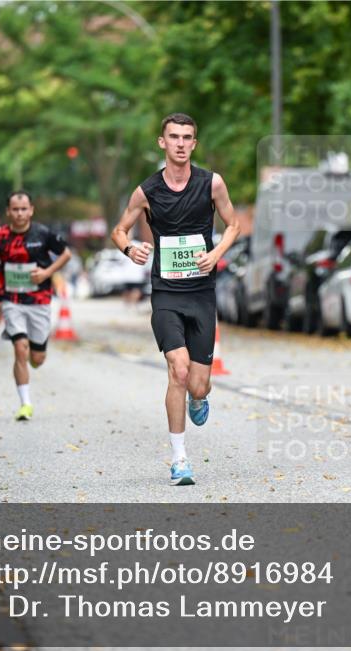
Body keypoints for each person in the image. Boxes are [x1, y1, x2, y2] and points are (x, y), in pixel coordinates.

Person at [111, 112, 240, 486]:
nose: (181, 143)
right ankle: (179, 460)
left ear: (194, 144)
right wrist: (128, 248)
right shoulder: (146, 191)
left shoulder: (211, 184)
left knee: (197, 384)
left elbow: (233, 224)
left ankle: (200, 398)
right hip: (166, 294)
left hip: (202, 295)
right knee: (178, 370)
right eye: (174, 136)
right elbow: (119, 230)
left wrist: (216, 255)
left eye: (187, 137)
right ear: (162, 142)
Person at [0, 191, 71, 421]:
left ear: (31, 210)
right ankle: (25, 403)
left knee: (37, 358)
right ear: (8, 211)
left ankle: (36, 353)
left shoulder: (43, 233)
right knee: (19, 347)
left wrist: (46, 273)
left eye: (24, 209)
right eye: (15, 209)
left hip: (39, 299)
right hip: (11, 298)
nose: (20, 213)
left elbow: (66, 253)